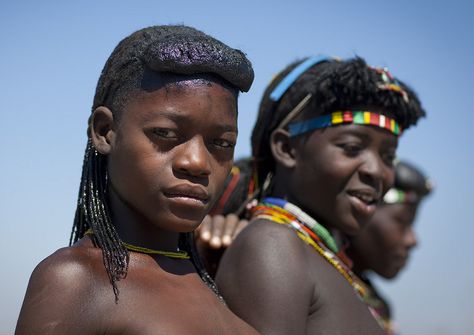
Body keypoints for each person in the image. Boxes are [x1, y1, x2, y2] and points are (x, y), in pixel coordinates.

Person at [15, 25, 259, 335]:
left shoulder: (211, 280)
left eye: (221, 143)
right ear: (105, 131)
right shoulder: (78, 279)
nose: (197, 163)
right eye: (165, 134)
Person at [214, 56, 426, 334]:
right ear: (287, 149)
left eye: (388, 156)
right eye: (351, 147)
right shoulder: (273, 246)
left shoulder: (319, 258)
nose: (377, 171)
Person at [347, 160, 433, 334]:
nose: (413, 240)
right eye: (402, 221)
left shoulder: (377, 304)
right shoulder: (320, 283)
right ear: (361, 211)